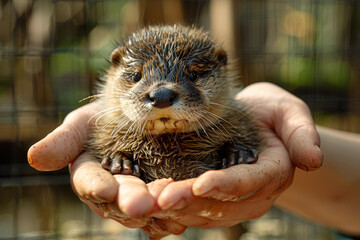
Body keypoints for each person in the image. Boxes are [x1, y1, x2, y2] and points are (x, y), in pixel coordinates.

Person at [30, 82, 355, 238]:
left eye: (193, 75)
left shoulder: (234, 117)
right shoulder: (109, 120)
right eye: (137, 77)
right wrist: (116, 156)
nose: (161, 96)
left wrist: (239, 148)